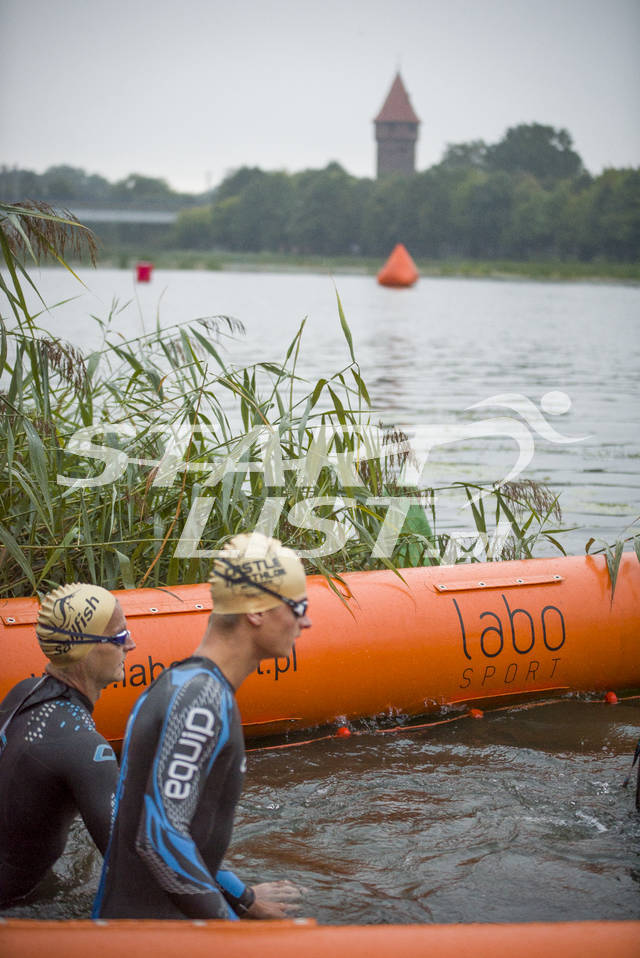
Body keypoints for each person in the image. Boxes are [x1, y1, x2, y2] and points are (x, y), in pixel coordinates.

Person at [93, 533, 311, 920]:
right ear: (257, 611)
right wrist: (230, 934)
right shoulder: (201, 700)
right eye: (298, 606)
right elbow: (159, 840)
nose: (305, 621)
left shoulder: (185, 684)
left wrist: (241, 897)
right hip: (144, 942)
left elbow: (176, 830)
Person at [0, 582, 136, 907]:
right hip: (14, 910)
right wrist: (241, 898)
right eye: (119, 637)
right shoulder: (87, 749)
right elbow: (134, 866)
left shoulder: (24, 692)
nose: (131, 644)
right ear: (83, 650)